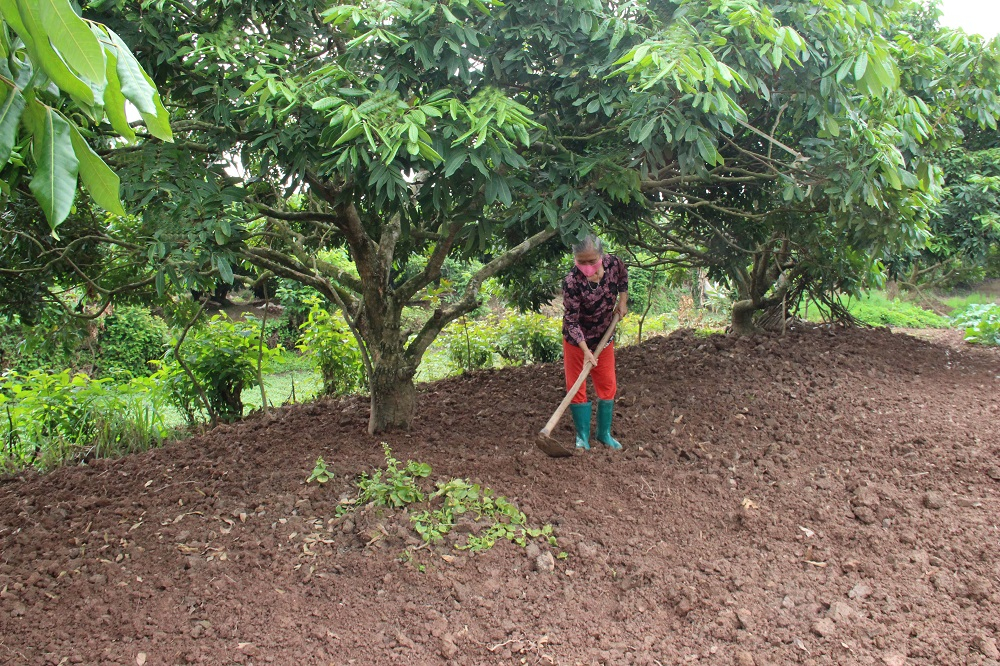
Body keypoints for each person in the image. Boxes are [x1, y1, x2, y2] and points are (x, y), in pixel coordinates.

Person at [561, 234, 628, 450]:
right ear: (575, 259)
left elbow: (623, 280)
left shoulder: (613, 264)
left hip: (604, 337)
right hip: (577, 341)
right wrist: (585, 350)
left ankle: (604, 434)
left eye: (592, 261)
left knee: (608, 384)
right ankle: (582, 437)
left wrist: (623, 303)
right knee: (577, 386)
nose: (588, 266)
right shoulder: (572, 282)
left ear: (601, 255)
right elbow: (570, 320)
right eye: (582, 262)